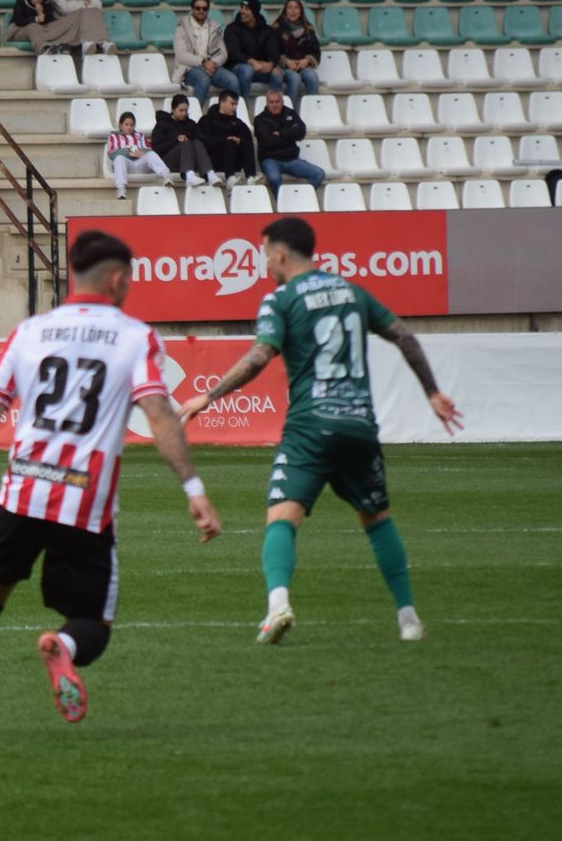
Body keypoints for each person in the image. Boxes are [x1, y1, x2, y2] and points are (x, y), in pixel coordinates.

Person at [0, 230, 220, 740]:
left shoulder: (29, 332)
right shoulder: (135, 337)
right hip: (83, 504)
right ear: (117, 279)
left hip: (21, 495)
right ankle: (63, 647)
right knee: (94, 624)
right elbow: (160, 416)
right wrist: (193, 489)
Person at [178, 216, 463, 644]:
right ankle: (408, 618)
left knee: (282, 517)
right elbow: (404, 337)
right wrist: (432, 392)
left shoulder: (281, 299)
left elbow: (259, 356)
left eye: (264, 254)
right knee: (376, 518)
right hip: (359, 423)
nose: (264, 263)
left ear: (279, 253)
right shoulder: (352, 291)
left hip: (310, 425)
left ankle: (278, 605)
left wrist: (209, 395)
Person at [254, 88, 324, 198]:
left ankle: (302, 198)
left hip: (291, 159)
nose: (274, 105)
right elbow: (268, 142)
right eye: (271, 102)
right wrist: (290, 136)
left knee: (319, 174)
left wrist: (281, 133)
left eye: (277, 101)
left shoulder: (290, 113)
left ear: (282, 102)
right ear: (267, 103)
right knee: (274, 178)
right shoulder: (260, 119)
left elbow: (301, 132)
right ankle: (282, 203)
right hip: (270, 159)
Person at [8, 0, 106, 55]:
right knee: (33, 27)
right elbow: (18, 20)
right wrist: (36, 18)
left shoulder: (46, 3)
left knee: (66, 20)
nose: (37, 0)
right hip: (21, 30)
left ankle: (74, 44)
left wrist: (41, 13)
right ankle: (44, 48)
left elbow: (49, 20)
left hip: (43, 29)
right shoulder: (21, 1)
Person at [224, 0, 287, 103]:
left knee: (277, 73)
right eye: (242, 8)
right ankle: (243, 107)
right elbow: (233, 53)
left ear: (255, 12)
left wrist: (271, 64)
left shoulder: (267, 30)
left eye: (247, 9)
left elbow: (274, 51)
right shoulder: (232, 28)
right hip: (236, 68)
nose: (242, 11)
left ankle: (272, 108)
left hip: (260, 69)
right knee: (247, 70)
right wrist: (252, 61)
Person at [171, 0, 230, 107]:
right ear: (192, 9)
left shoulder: (214, 26)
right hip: (189, 68)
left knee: (233, 80)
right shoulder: (182, 27)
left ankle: (233, 115)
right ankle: (195, 115)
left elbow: (223, 53)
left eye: (204, 8)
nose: (201, 11)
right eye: (198, 8)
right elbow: (181, 55)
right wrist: (203, 63)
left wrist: (213, 64)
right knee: (203, 80)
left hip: (211, 67)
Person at [151, 94, 221, 188]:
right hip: (168, 161)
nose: (184, 113)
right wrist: (176, 140)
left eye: (186, 110)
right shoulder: (162, 124)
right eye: (181, 110)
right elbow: (157, 148)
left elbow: (202, 138)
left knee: (197, 142)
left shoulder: (190, 124)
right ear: (173, 109)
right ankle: (189, 175)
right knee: (186, 143)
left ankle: (209, 173)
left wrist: (188, 137)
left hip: (189, 159)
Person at [105, 109, 174, 200]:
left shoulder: (140, 136)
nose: (129, 127)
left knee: (151, 154)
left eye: (131, 125)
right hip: (126, 165)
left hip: (140, 164)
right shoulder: (114, 137)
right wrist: (127, 152)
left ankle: (166, 176)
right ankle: (121, 189)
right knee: (119, 159)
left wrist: (141, 154)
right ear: (121, 125)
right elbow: (111, 154)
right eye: (126, 124)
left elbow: (148, 150)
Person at [50, 0, 114, 57]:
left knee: (95, 12)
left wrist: (76, 4)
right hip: (66, 24)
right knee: (86, 11)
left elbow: (98, 5)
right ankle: (89, 42)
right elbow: (64, 9)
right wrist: (83, 4)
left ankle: (102, 43)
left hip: (83, 22)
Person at [197, 87, 257, 184]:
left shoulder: (238, 122)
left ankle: (250, 176)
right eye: (232, 104)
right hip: (213, 160)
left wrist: (239, 141)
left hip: (235, 161)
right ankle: (230, 178)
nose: (235, 107)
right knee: (230, 142)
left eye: (236, 104)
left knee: (245, 142)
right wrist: (225, 139)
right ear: (222, 102)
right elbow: (206, 141)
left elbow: (247, 138)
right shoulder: (206, 120)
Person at [274, 0, 320, 101]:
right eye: (290, 8)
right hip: (283, 68)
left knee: (312, 76)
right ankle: (291, 110)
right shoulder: (277, 29)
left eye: (296, 8)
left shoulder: (308, 30)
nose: (293, 11)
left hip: (302, 66)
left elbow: (315, 50)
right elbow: (272, 51)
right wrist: (286, 61)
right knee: (295, 78)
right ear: (285, 11)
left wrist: (307, 60)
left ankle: (313, 107)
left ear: (301, 12)